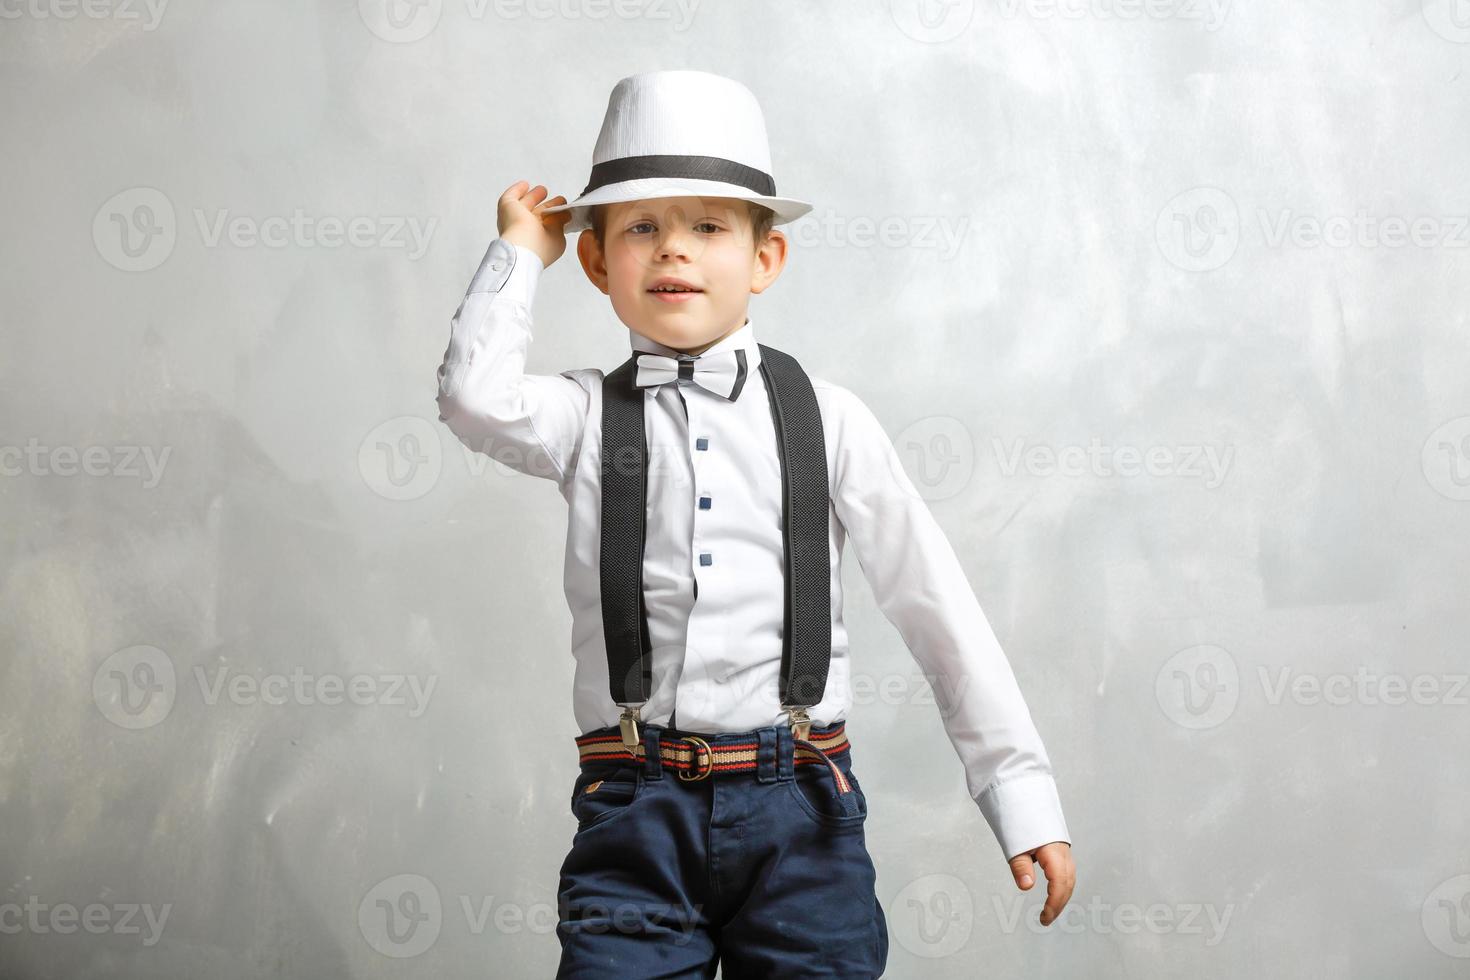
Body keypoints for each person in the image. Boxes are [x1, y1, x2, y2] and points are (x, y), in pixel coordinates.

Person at [434, 68, 1075, 978]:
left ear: (765, 259)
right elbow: (471, 399)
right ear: (596, 260)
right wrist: (517, 258)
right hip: (633, 807)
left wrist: (1021, 795)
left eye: (708, 226)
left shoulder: (831, 419)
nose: (673, 253)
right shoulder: (584, 417)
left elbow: (940, 613)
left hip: (804, 811)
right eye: (641, 228)